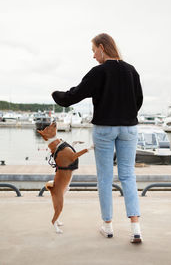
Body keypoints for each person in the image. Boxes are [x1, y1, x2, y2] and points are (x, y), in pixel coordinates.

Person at [52, 33, 143, 243]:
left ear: (102, 48)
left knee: (104, 177)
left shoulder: (99, 72)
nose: (93, 56)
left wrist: (55, 94)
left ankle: (108, 226)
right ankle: (136, 228)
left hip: (104, 128)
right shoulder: (131, 71)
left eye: (93, 51)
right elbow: (138, 100)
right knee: (128, 175)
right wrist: (126, 115)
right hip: (129, 128)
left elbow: (75, 95)